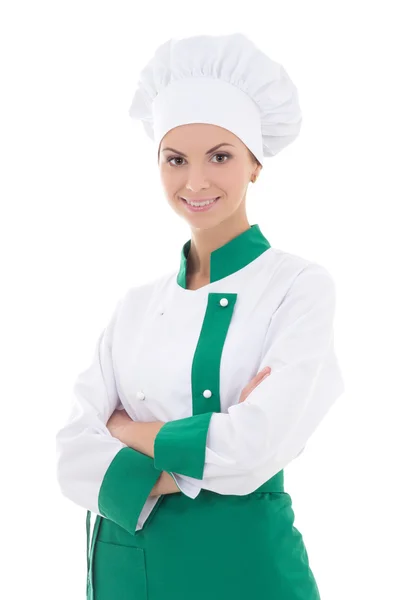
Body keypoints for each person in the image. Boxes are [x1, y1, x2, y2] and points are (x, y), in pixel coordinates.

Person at [55, 32, 345, 600]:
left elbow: (255, 446)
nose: (196, 181)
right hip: (127, 573)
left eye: (220, 156)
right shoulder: (135, 305)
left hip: (247, 572)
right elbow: (71, 453)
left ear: (255, 163)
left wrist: (126, 432)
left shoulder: (297, 287)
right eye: (175, 159)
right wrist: (207, 461)